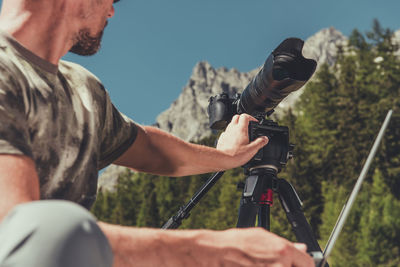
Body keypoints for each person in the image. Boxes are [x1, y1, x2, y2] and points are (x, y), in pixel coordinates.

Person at [0, 0, 315, 266]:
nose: (111, 11)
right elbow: (23, 232)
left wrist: (226, 156)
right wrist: (214, 249)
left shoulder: (82, 88)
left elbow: (151, 149)